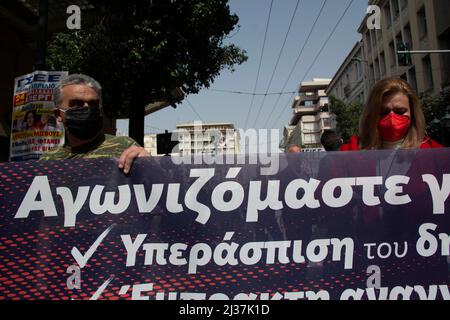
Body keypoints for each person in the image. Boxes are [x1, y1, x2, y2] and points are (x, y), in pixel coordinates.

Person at [39, 74, 148, 174]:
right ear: (58, 114)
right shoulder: (48, 160)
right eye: (77, 104)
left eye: (93, 104)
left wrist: (148, 163)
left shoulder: (124, 147)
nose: (87, 107)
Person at [340, 77, 443, 151]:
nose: (392, 118)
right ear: (371, 114)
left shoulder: (435, 153)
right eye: (383, 112)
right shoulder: (349, 154)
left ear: (413, 113)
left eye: (400, 111)